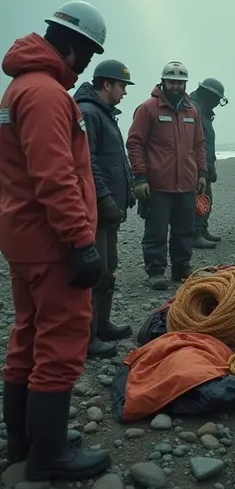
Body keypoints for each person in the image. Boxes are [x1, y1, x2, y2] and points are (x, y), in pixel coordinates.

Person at [0, 0, 111, 481]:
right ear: (71, 47)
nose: (83, 66)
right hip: (51, 243)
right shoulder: (45, 95)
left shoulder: (18, 89)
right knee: (62, 340)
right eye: (85, 55)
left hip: (24, 237)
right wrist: (80, 242)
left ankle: (24, 442)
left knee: (27, 334)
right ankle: (48, 454)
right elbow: (55, 175)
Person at [74, 59, 136, 359]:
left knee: (107, 268)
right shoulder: (89, 112)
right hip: (97, 210)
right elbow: (88, 161)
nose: (124, 91)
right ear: (107, 84)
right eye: (122, 85)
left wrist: (128, 189)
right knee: (95, 270)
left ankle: (101, 325)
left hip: (110, 209)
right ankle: (87, 338)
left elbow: (115, 158)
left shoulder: (104, 113)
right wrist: (104, 198)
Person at [126, 61, 207, 290]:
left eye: (181, 83)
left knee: (185, 229)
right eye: (172, 82)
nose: (176, 87)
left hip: (186, 183)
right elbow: (134, 143)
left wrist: (201, 173)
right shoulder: (148, 108)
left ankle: (181, 267)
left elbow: (199, 144)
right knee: (156, 230)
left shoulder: (192, 111)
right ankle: (156, 271)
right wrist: (140, 177)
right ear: (163, 81)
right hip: (158, 185)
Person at [189, 78, 227, 249]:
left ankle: (202, 229)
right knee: (199, 199)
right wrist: (202, 167)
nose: (217, 104)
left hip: (204, 162)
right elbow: (196, 142)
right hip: (196, 165)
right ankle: (195, 233)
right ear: (208, 95)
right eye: (216, 99)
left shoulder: (202, 110)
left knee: (206, 199)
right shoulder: (194, 110)